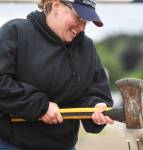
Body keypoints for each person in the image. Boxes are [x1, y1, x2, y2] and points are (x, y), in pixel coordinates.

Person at [0, 0, 114, 149]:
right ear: (56, 5)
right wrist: (40, 107)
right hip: (12, 145)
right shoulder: (16, 32)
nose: (82, 27)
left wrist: (95, 107)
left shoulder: (87, 48)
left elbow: (96, 94)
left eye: (86, 21)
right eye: (79, 17)